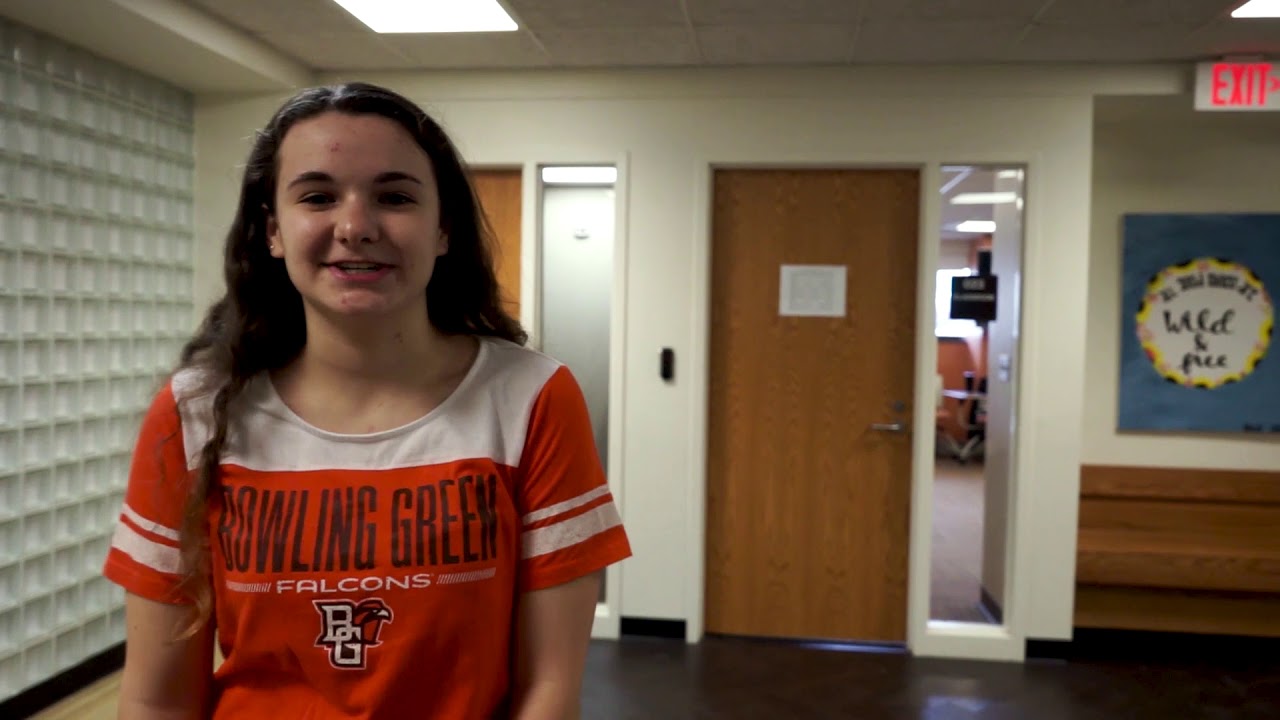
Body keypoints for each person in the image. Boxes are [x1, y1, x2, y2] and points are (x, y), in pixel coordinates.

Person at [102, 81, 632, 719]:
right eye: (318, 197)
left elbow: (548, 691)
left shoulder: (530, 398)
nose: (355, 227)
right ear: (273, 231)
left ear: (443, 229)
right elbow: (157, 701)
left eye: (395, 197)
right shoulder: (194, 412)